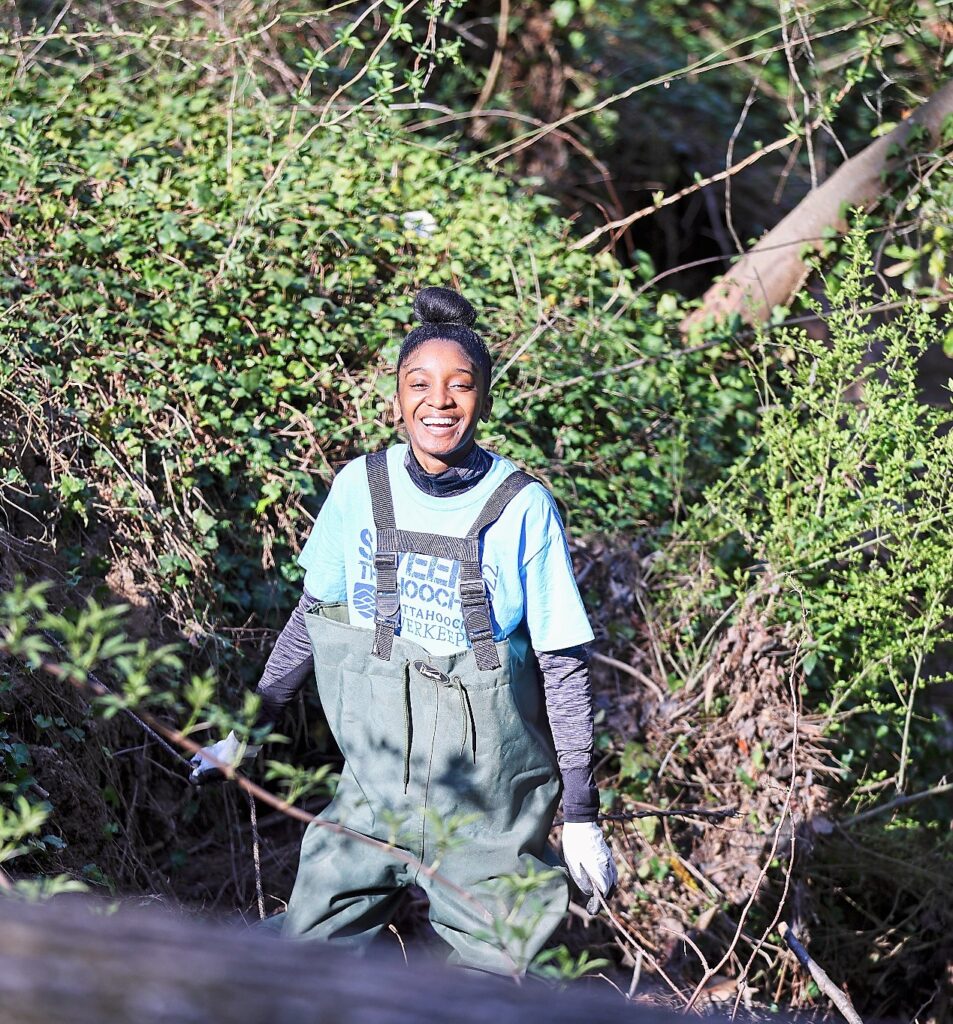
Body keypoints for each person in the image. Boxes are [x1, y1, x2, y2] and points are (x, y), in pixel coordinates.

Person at [190, 286, 618, 973]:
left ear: (483, 399)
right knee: (302, 956)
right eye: (419, 384)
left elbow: (563, 666)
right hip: (372, 787)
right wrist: (249, 730)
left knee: (506, 978)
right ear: (395, 398)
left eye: (460, 386)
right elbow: (312, 618)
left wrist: (580, 812)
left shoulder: (524, 506)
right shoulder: (358, 488)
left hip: (490, 806)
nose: (438, 401)